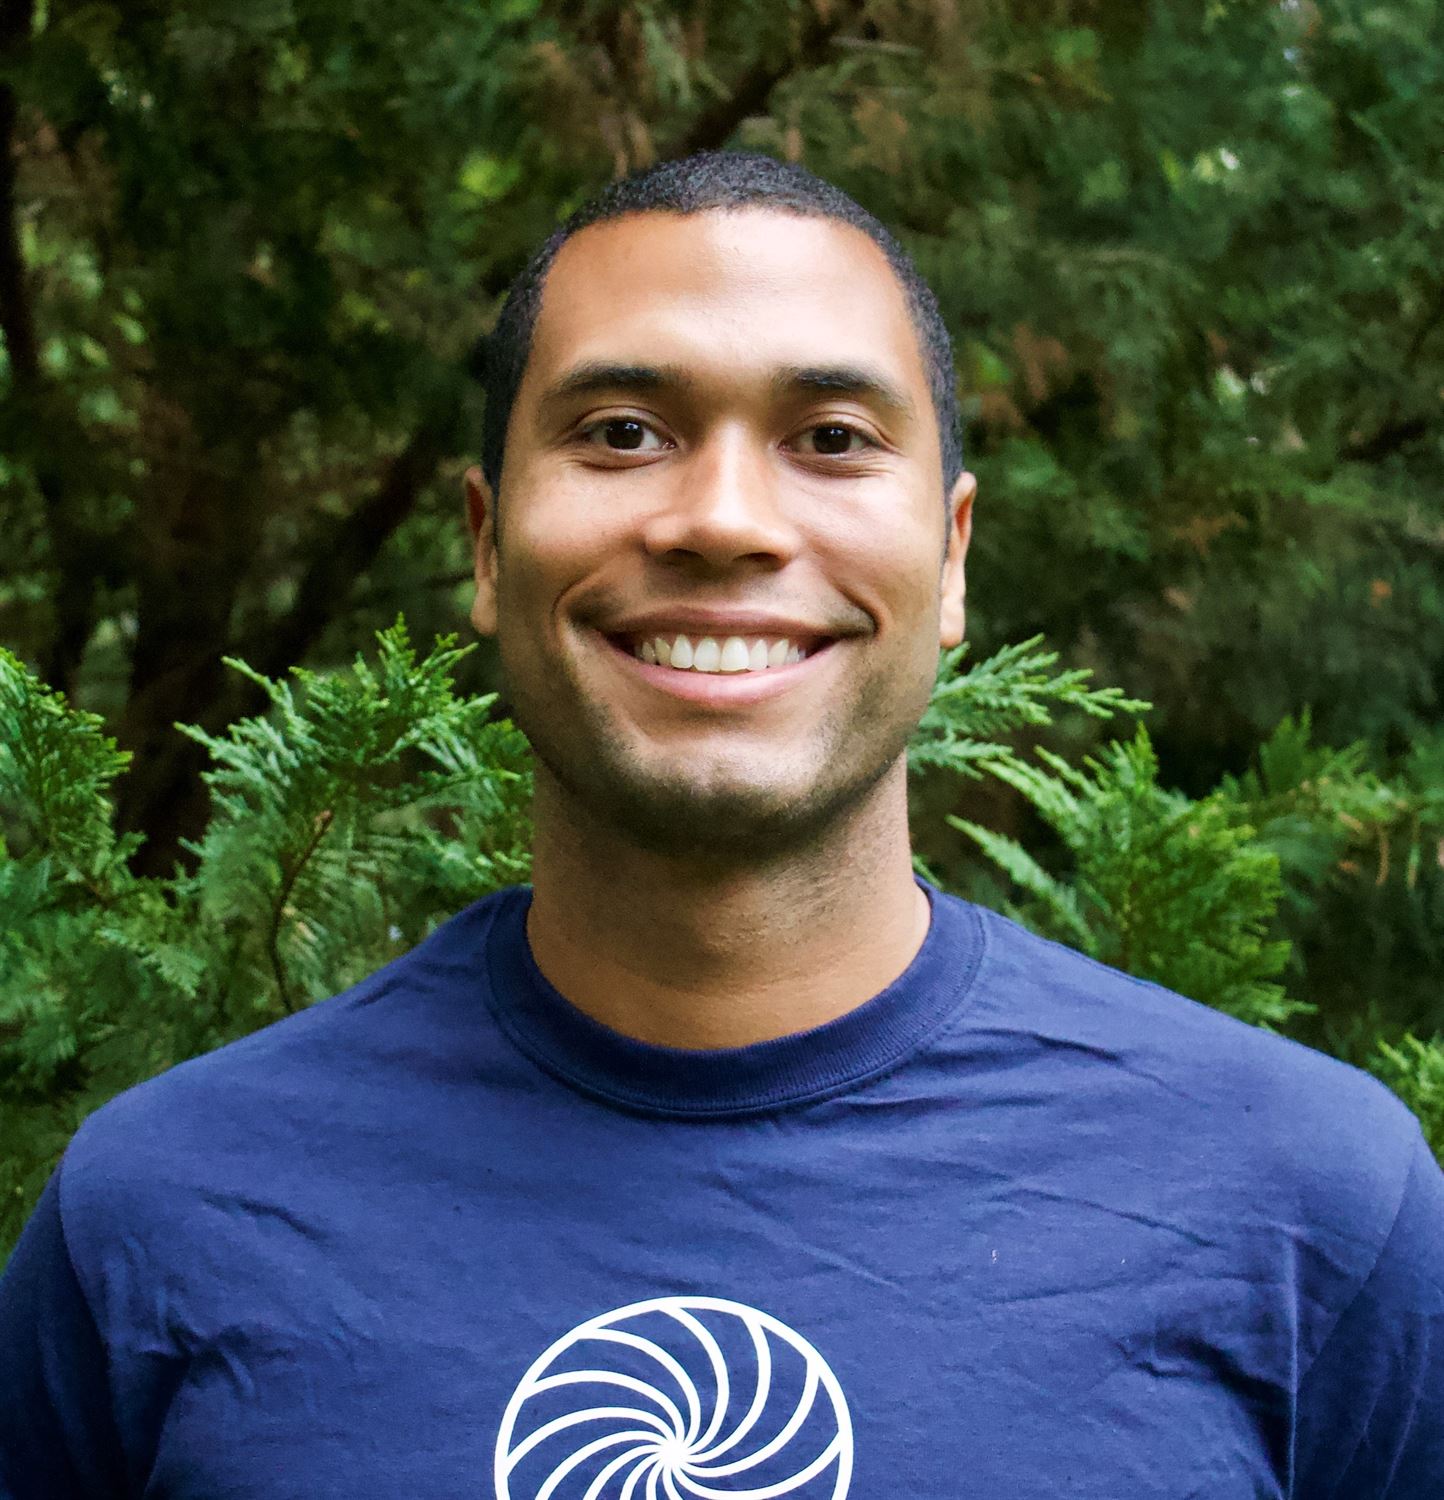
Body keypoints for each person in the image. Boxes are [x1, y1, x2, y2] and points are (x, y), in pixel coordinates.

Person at [1, 151, 1441, 1500]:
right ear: (488, 545)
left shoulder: (1312, 1215)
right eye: (624, 433)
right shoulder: (157, 1216)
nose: (725, 520)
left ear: (951, 557)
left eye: (832, 438)